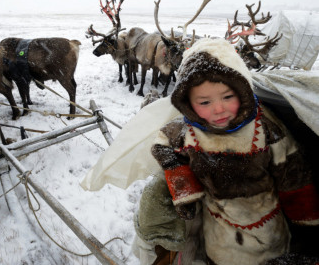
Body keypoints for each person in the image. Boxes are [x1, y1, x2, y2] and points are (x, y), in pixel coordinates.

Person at [133, 38, 319, 265]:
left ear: (242, 91)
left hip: (268, 237)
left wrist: (307, 228)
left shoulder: (264, 128)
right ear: (188, 104)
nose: (218, 109)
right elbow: (162, 145)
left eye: (228, 97)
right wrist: (182, 181)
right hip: (218, 237)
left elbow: (293, 177)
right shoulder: (188, 130)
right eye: (204, 102)